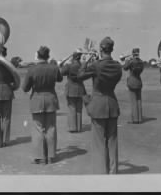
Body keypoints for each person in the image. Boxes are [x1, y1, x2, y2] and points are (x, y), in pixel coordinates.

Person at [77, 37, 123, 174]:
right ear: (112, 49)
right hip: (112, 104)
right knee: (112, 142)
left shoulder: (97, 65)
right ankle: (113, 172)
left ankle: (101, 173)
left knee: (99, 143)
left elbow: (79, 76)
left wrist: (85, 62)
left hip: (98, 105)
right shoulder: (117, 66)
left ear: (101, 49)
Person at [22, 46, 63, 164]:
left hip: (37, 100)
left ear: (38, 55)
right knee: (51, 128)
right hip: (51, 99)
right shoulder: (53, 68)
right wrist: (56, 68)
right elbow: (60, 79)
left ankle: (39, 156)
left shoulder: (32, 69)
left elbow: (25, 88)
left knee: (38, 129)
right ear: (48, 56)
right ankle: (50, 156)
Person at [60, 51, 86, 132]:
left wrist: (65, 61)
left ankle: (72, 128)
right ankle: (78, 127)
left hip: (71, 88)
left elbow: (61, 72)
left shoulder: (69, 66)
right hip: (80, 88)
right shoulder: (83, 65)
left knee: (72, 108)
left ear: (73, 57)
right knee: (79, 109)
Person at [123, 48, 145, 124]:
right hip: (139, 81)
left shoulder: (131, 61)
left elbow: (125, 68)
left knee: (133, 101)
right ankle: (139, 118)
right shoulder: (141, 62)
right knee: (139, 101)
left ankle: (135, 119)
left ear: (133, 53)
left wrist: (126, 60)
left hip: (132, 81)